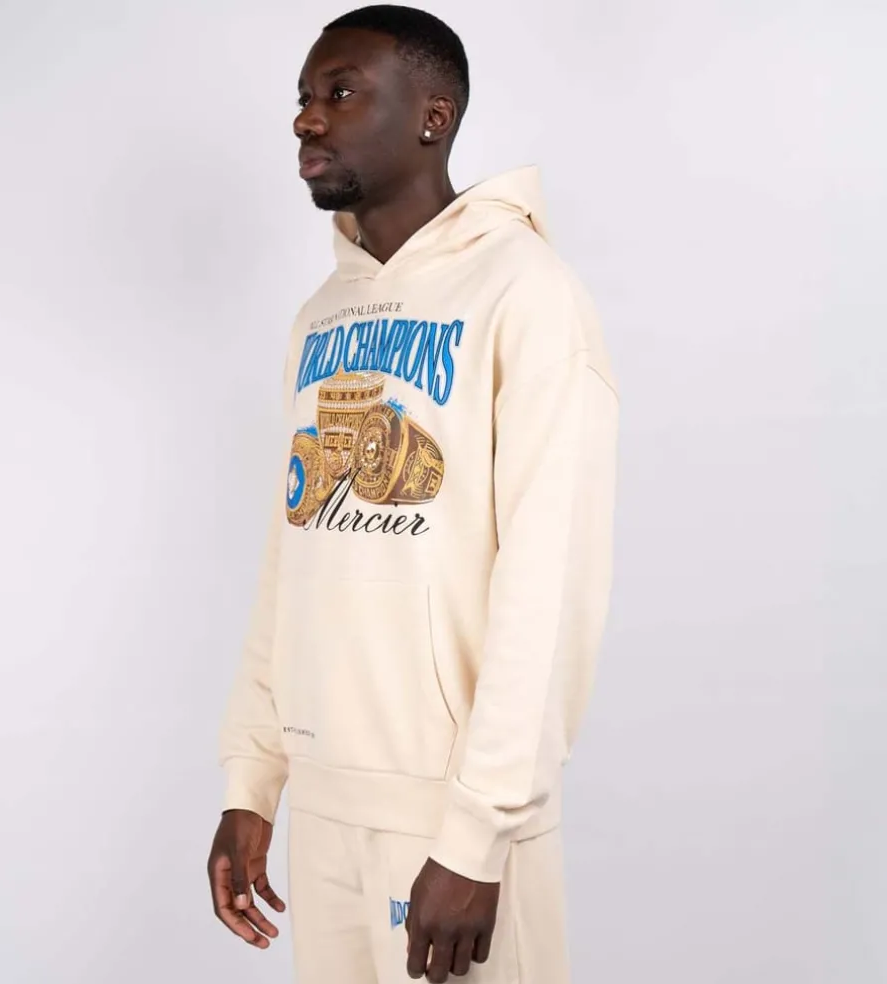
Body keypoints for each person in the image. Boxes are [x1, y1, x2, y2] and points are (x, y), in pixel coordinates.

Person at [206, 5, 619, 983]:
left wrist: (478, 835)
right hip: (325, 807)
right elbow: (292, 556)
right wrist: (253, 779)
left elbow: (549, 581)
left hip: (452, 818)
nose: (308, 118)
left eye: (341, 92)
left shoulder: (527, 293)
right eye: (305, 97)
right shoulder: (321, 316)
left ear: (434, 117)